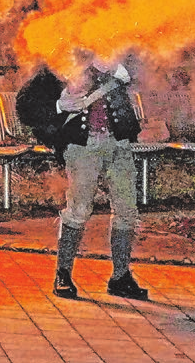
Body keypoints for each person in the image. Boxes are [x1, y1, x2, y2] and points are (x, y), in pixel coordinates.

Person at [16, 50, 164, 301]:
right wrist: (59, 105)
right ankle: (63, 274)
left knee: (127, 211)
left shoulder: (117, 58)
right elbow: (25, 106)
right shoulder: (60, 61)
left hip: (118, 143)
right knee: (78, 210)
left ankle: (120, 276)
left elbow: (148, 69)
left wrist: (120, 69)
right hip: (83, 147)